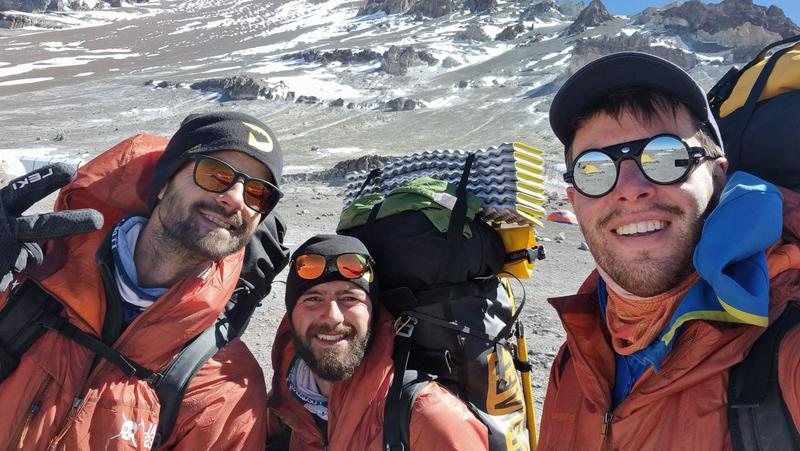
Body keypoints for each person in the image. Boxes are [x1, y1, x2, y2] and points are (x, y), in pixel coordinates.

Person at [538, 52, 800, 449]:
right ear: (575, 202)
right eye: (595, 169)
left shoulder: (787, 339)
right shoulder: (579, 351)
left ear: (717, 176)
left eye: (665, 157)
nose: (629, 187)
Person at [0, 111, 284, 449]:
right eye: (215, 173)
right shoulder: (27, 276)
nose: (235, 198)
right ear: (164, 183)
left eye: (258, 194)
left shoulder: (225, 386)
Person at [265, 234, 489, 450]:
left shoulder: (429, 417)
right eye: (313, 299)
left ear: (373, 314)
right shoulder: (284, 397)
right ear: (291, 315)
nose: (333, 317)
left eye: (350, 298)